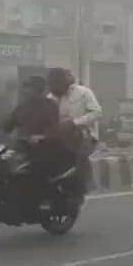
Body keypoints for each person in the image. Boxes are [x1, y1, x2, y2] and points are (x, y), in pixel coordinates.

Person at [47, 68, 101, 201]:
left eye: (57, 84)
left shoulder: (84, 93)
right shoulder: (50, 98)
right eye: (52, 85)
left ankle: (86, 184)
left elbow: (97, 113)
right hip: (60, 137)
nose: (55, 89)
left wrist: (75, 123)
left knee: (79, 154)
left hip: (85, 134)